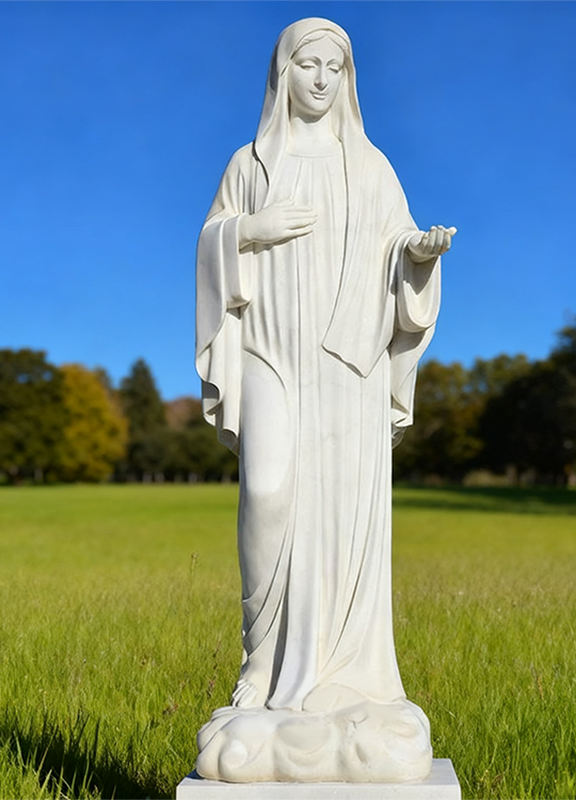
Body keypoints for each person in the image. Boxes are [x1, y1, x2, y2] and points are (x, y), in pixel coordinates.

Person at [194, 17, 455, 782]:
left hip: (349, 369)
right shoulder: (250, 165)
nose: (319, 79)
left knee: (343, 514)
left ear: (348, 79)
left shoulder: (371, 167)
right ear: (282, 74)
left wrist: (416, 257)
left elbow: (395, 251)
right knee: (268, 491)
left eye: (334, 67)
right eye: (307, 64)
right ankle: (262, 665)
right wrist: (248, 231)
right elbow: (210, 244)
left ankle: (352, 677)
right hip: (274, 354)